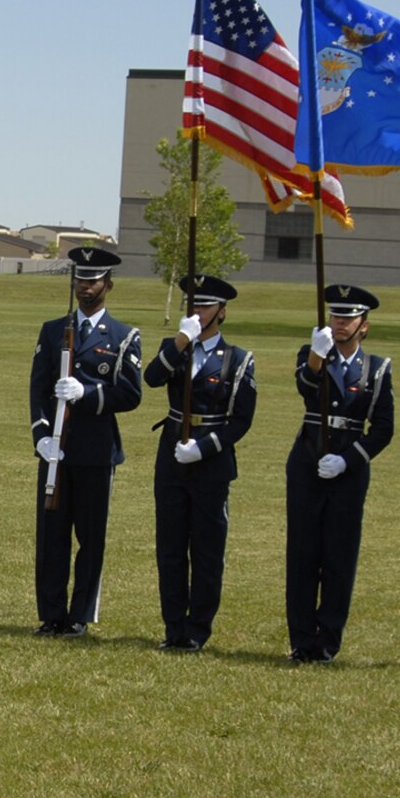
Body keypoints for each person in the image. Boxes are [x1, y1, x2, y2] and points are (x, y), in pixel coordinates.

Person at [29, 246, 143, 637]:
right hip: (56, 452)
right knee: (52, 537)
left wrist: (88, 393)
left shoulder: (124, 337)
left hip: (96, 452)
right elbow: (39, 388)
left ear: (108, 285)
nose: (85, 287)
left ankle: (80, 615)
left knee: (90, 537)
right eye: (80, 279)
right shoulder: (53, 330)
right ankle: (51, 614)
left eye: (93, 281)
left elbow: (130, 395)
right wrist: (41, 435)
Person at [141, 273, 255, 651]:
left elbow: (241, 420)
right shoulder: (175, 347)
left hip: (211, 459)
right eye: (193, 305)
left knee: (207, 547)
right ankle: (173, 627)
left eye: (205, 306)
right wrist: (180, 341)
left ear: (222, 312)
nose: (198, 311)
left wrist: (204, 448)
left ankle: (197, 629)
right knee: (170, 545)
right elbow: (152, 378)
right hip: (172, 453)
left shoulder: (238, 360)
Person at [285, 284, 393, 663]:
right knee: (302, 553)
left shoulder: (376, 368)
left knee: (338, 555)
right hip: (307, 460)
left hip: (348, 468)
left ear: (364, 325)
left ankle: (328, 640)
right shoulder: (313, 354)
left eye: (349, 318)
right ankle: (300, 639)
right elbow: (305, 387)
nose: (340, 323)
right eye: (336, 316)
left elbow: (383, 428)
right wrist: (316, 356)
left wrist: (350, 459)